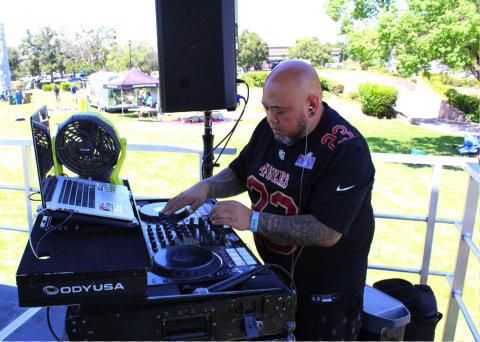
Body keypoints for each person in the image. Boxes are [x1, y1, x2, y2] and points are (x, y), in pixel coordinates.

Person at [160, 60, 375, 340]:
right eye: (266, 108)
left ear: (312, 104)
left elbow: (326, 231)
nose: (270, 118)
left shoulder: (346, 151)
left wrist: (252, 220)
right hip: (275, 276)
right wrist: (207, 187)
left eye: (279, 111)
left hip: (326, 294)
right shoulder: (270, 128)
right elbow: (241, 170)